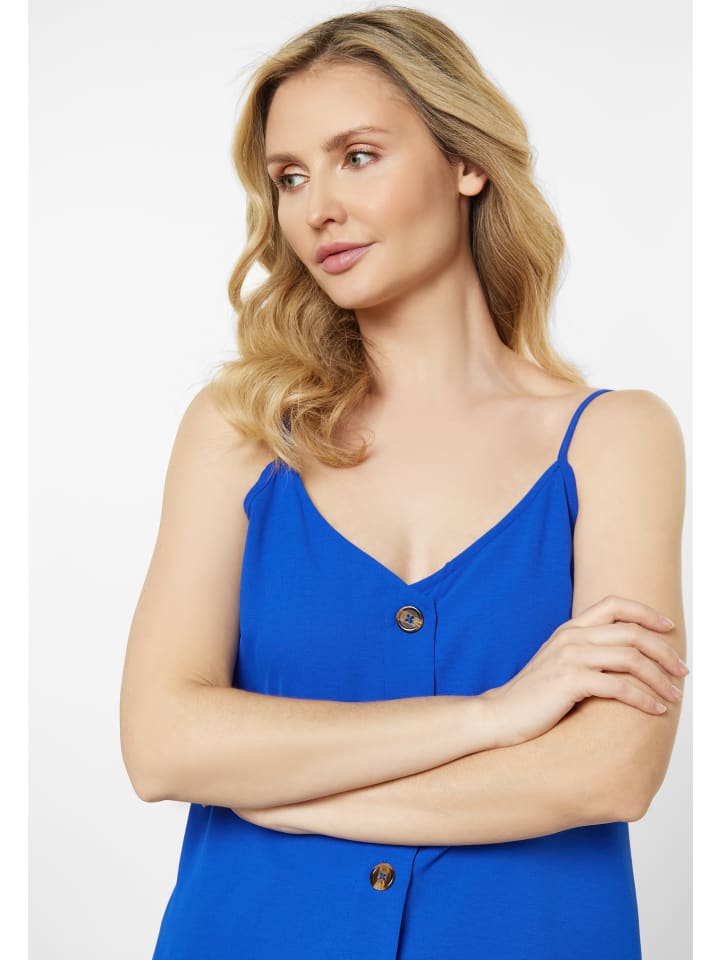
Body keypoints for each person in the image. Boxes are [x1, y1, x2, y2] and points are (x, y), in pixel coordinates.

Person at [119, 7, 688, 958]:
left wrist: (290, 795)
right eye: (290, 178)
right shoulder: (241, 431)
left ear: (466, 162)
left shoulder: (617, 439)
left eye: (357, 156)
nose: (317, 209)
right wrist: (493, 716)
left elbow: (611, 772)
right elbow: (162, 743)